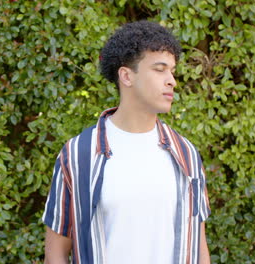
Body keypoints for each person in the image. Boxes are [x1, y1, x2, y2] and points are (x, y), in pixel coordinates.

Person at [42, 20, 211, 264]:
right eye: (160, 69)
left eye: (172, 70)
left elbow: (198, 245)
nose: (172, 80)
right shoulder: (78, 155)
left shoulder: (186, 154)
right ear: (126, 76)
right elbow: (56, 253)